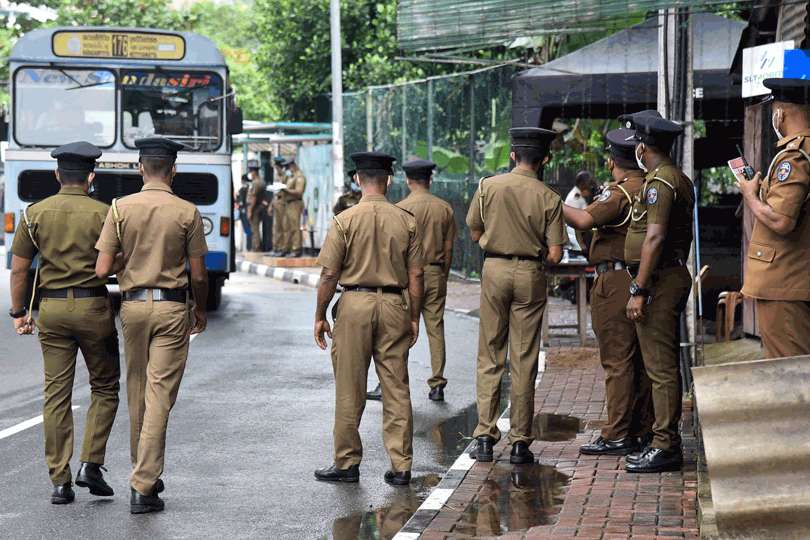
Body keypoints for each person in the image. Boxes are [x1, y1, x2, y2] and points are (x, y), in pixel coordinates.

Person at [95, 136, 209, 513]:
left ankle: (142, 472)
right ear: (173, 169)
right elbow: (198, 275)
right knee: (160, 395)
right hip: (171, 308)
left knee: (138, 390)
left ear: (140, 168)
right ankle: (143, 485)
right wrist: (201, 310)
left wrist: (128, 260)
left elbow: (101, 269)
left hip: (131, 308)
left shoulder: (119, 208)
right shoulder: (187, 212)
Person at [9, 141, 120, 505]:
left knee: (56, 394)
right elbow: (118, 263)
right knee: (104, 387)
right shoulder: (107, 213)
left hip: (51, 312)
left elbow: (21, 269)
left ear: (58, 175)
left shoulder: (32, 214)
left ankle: (60, 480)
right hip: (94, 309)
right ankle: (91, 462)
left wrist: (19, 312)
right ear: (91, 176)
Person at [313, 151, 424, 486]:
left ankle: (346, 463)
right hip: (394, 306)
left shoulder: (344, 220)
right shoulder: (406, 221)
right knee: (396, 386)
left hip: (354, 304)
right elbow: (416, 276)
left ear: (358, 180)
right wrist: (414, 317)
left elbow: (329, 274)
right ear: (388, 180)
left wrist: (320, 315)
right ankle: (401, 465)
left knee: (350, 385)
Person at [466, 127, 567, 464]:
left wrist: (490, 246)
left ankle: (484, 436)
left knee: (489, 354)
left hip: (493, 271)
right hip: (530, 275)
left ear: (512, 156)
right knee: (523, 359)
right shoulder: (549, 197)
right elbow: (555, 254)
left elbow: (474, 230)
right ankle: (520, 442)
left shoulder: (486, 187)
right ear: (545, 159)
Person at [562, 128, 653, 456]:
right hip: (638, 278)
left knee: (617, 360)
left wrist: (547, 202)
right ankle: (640, 429)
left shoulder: (620, 192)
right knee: (639, 361)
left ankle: (616, 434)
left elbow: (584, 221)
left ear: (613, 161)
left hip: (615, 282)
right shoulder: (648, 186)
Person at [622, 111, 694, 473]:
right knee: (659, 365)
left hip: (660, 280)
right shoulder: (669, 177)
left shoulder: (661, 182)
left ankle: (666, 445)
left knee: (661, 368)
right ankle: (663, 440)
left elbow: (655, 236)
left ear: (643, 146)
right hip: (665, 277)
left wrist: (639, 288)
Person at [740, 78, 810, 358]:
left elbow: (781, 220)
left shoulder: (794, 157)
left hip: (786, 284)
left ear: (779, 113)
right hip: (799, 278)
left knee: (789, 370)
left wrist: (750, 195)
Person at [397, 159, 456, 402]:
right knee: (435, 328)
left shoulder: (400, 209)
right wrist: (443, 274)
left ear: (408, 180)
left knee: (400, 330)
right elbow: (449, 247)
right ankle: (438, 383)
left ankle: (396, 380)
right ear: (429, 180)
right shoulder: (444, 208)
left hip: (408, 276)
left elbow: (397, 250)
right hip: (435, 272)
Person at [281, 158, 307, 257]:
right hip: (288, 204)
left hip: (295, 203)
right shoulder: (290, 176)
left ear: (293, 165)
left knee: (295, 227)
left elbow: (299, 191)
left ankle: (297, 249)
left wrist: (285, 190)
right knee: (287, 227)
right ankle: (286, 248)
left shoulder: (299, 176)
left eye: (288, 167)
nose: (287, 169)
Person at [564, 170, 594, 253]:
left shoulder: (579, 194)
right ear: (581, 183)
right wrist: (580, 243)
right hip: (575, 239)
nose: (590, 185)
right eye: (588, 183)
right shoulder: (575, 197)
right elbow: (574, 222)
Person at [270, 156, 289, 256]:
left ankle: (283, 248)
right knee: (276, 227)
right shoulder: (277, 177)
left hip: (283, 203)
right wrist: (271, 205)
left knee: (283, 227)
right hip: (277, 202)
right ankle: (276, 247)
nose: (276, 170)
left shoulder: (286, 176)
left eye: (277, 168)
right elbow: (275, 192)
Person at [245, 160, 265, 252]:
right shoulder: (261, 181)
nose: (250, 174)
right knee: (255, 228)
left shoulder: (256, 183)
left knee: (254, 229)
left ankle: (256, 247)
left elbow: (254, 197)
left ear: (254, 172)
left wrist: (249, 211)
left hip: (255, 208)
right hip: (258, 207)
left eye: (251, 172)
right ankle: (255, 246)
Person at [237, 173, 252, 250]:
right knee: (248, 230)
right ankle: (249, 246)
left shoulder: (243, 190)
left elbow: (239, 201)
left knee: (248, 230)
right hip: (246, 211)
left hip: (244, 212)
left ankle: (249, 247)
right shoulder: (247, 189)